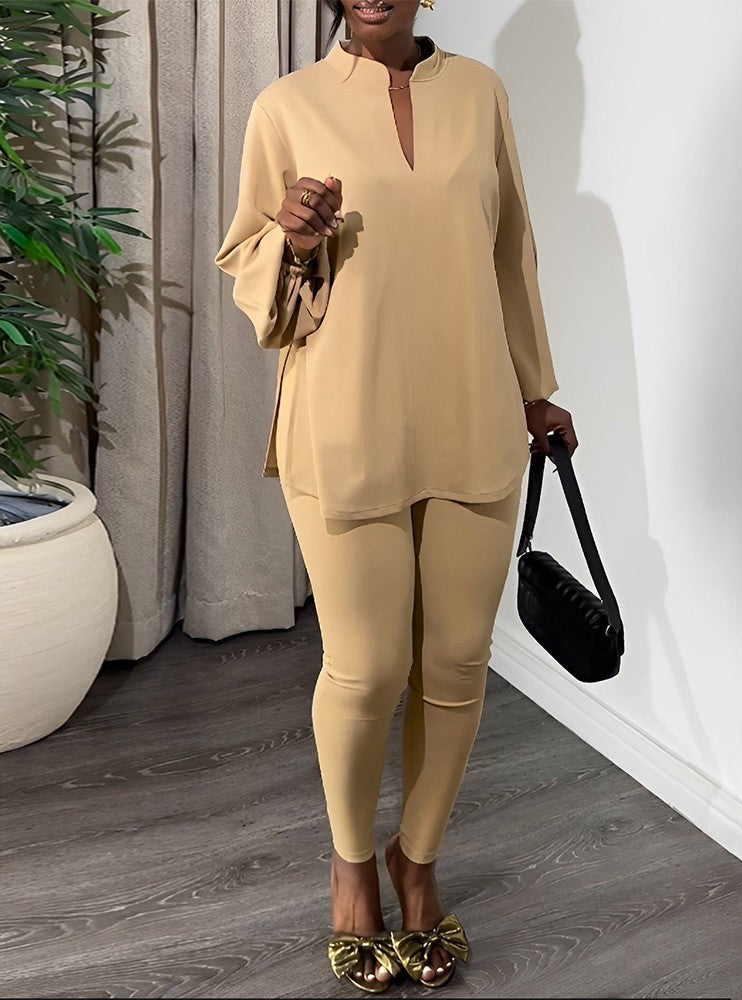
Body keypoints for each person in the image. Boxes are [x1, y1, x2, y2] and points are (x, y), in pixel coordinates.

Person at [215, 0, 578, 991]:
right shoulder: (285, 105)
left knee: (456, 659)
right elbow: (249, 273)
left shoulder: (480, 93)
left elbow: (510, 251)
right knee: (367, 667)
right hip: (346, 414)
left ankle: (415, 863)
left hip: (474, 406)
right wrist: (292, 241)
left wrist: (535, 387)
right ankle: (349, 869)